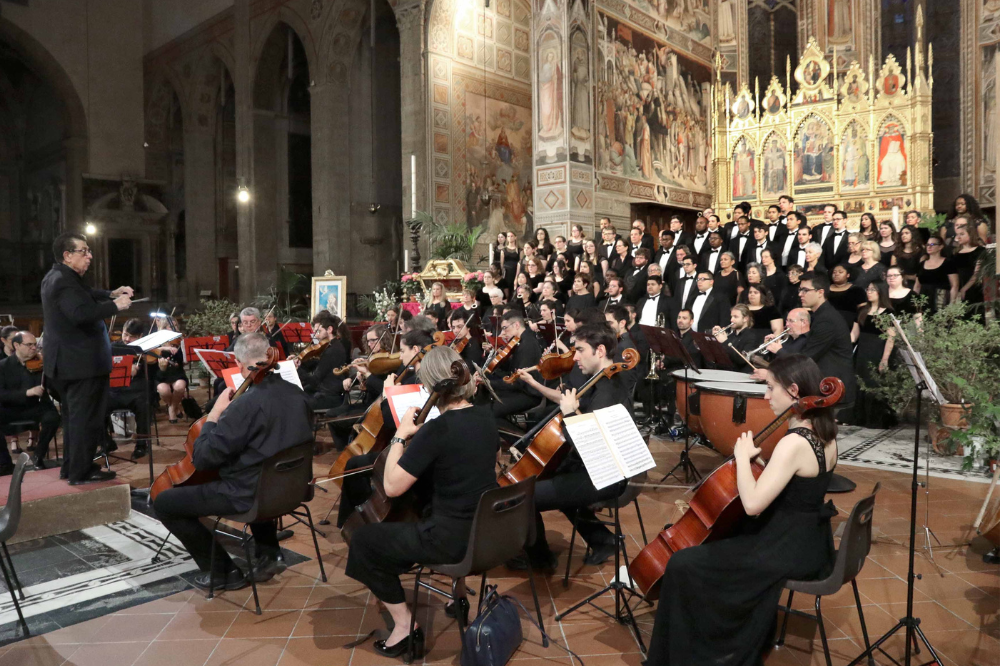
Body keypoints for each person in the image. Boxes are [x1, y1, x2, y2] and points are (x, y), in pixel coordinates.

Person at [644, 354, 838, 666]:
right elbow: (799, 487)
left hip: (785, 547)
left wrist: (743, 457)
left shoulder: (795, 441)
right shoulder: (824, 431)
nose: (765, 395)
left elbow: (752, 505)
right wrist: (763, 465)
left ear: (793, 391)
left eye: (771, 388)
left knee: (683, 563)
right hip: (809, 540)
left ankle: (697, 652)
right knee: (717, 544)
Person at [345, 347, 497, 659]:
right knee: (433, 496)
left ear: (429, 386)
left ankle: (404, 628)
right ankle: (459, 596)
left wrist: (400, 437)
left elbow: (391, 487)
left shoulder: (437, 429)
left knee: (362, 541)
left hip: (451, 542)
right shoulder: (485, 417)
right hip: (486, 533)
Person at [152, 333, 313, 590]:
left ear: (239, 364)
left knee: (164, 503)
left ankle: (222, 572)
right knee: (259, 462)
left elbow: (203, 458)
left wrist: (215, 415)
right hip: (292, 489)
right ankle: (269, 553)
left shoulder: (244, 406)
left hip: (250, 496)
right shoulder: (298, 394)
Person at [509, 323, 638, 571]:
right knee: (553, 477)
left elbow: (589, 446)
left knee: (525, 496)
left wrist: (569, 414)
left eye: (579, 349)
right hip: (594, 467)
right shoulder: (601, 381)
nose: (574, 356)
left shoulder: (608, 391)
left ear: (600, 351)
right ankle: (602, 539)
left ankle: (542, 560)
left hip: (606, 475)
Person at [41, 232, 132, 485]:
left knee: (75, 419)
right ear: (67, 255)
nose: (90, 256)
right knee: (86, 420)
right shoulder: (64, 281)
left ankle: (72, 467)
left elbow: (85, 294)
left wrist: (110, 293)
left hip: (70, 364)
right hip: (80, 365)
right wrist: (116, 306)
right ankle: (80, 472)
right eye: (84, 251)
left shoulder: (58, 276)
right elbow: (80, 313)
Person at [767, 273, 856, 405]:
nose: (800, 294)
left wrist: (779, 354)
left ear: (820, 292)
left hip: (832, 388)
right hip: (827, 386)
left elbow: (808, 358)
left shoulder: (826, 320)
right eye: (800, 290)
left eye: (805, 290)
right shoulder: (821, 316)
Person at [0, 331, 61, 472]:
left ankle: (38, 455)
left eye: (35, 345)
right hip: (11, 409)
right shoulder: (3, 366)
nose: (34, 348)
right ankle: (5, 464)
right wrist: (27, 392)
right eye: (29, 345)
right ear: (16, 345)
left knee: (53, 418)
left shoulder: (41, 364)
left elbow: (53, 389)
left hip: (36, 407)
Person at [850, 281, 897, 428]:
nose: (869, 292)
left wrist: (885, 359)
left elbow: (891, 337)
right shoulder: (862, 310)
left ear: (880, 292)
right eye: (868, 289)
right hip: (862, 351)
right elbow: (854, 335)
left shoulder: (889, 313)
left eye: (873, 289)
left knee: (874, 383)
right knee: (860, 383)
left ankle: (875, 419)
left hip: (877, 351)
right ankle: (860, 417)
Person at [109, 319, 154, 461]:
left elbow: (153, 376)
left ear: (140, 336)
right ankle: (105, 442)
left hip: (136, 392)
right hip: (115, 391)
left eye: (132, 336)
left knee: (144, 404)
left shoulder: (145, 350)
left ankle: (141, 445)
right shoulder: (113, 347)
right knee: (97, 404)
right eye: (125, 334)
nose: (127, 339)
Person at [295, 311, 351, 411]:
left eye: (318, 331)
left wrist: (297, 369)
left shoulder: (332, 350)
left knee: (295, 403)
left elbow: (315, 381)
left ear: (329, 329)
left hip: (330, 397)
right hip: (325, 391)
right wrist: (301, 361)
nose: (315, 335)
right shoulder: (332, 346)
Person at [153, 316, 188, 424]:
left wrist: (183, 348)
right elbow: (151, 350)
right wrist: (166, 348)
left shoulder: (179, 341)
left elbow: (184, 362)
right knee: (164, 391)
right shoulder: (156, 342)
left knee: (179, 387)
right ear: (163, 328)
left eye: (176, 325)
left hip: (177, 373)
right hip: (161, 374)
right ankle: (175, 407)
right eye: (171, 326)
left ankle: (172, 409)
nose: (174, 328)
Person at [713, 305, 764, 372]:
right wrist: (715, 341)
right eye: (731, 316)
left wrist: (725, 341)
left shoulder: (752, 336)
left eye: (735, 317)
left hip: (741, 375)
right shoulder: (731, 335)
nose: (731, 320)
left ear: (745, 319)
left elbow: (742, 360)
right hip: (727, 372)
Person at [914, 236, 958, 314]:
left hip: (941, 299)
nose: (929, 247)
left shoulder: (948, 263)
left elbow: (954, 285)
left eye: (932, 244)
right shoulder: (922, 264)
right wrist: (915, 303)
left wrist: (952, 304)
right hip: (924, 299)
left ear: (940, 247)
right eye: (927, 245)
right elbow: (917, 286)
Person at [951, 222, 986, 322]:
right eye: (957, 234)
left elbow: (977, 273)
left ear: (971, 234)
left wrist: (964, 289)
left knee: (975, 317)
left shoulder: (980, 251)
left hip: (974, 288)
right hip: (959, 286)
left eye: (962, 234)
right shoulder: (956, 254)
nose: (959, 237)